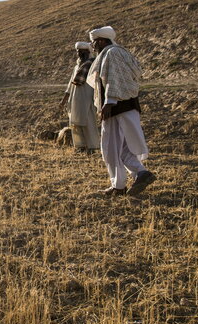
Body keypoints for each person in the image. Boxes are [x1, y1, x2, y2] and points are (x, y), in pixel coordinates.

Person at [86, 26, 157, 196]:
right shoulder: (118, 52)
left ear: (102, 41)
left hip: (117, 107)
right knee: (123, 147)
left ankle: (120, 185)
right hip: (124, 106)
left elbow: (114, 79)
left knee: (111, 148)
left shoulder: (112, 53)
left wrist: (109, 102)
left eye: (94, 42)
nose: (92, 46)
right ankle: (139, 174)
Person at [58, 42, 100, 154]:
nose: (80, 53)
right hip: (75, 98)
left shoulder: (92, 64)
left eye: (82, 51)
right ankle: (80, 146)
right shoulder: (77, 66)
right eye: (78, 51)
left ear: (88, 52)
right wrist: (64, 99)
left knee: (88, 122)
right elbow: (70, 84)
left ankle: (92, 147)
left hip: (87, 98)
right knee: (75, 123)